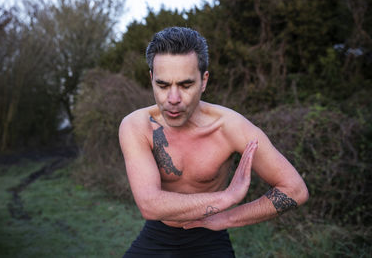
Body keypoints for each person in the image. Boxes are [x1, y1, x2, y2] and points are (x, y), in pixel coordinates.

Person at [119, 27, 309, 258]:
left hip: (210, 237)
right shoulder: (137, 125)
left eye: (186, 85)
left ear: (204, 80)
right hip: (157, 234)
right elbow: (149, 204)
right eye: (163, 85)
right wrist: (227, 197)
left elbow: (295, 190)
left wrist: (226, 217)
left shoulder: (231, 127)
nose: (173, 99)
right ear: (151, 79)